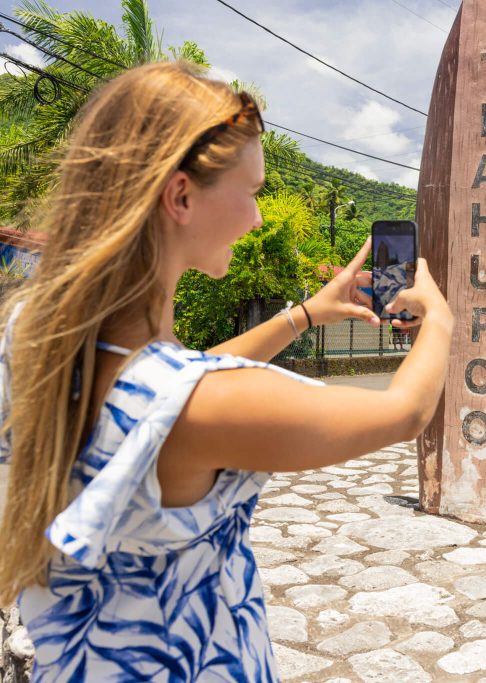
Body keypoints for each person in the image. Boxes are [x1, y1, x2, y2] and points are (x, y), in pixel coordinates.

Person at [0, 62, 453, 681]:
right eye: (253, 192)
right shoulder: (194, 406)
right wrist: (443, 317)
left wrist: (306, 315)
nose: (259, 219)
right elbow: (405, 411)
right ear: (181, 196)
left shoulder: (33, 336)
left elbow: (182, 380)